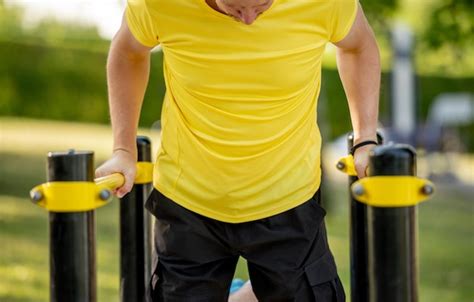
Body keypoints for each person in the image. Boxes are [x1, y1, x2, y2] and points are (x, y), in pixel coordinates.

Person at [95, 0, 380, 300]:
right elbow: (128, 51)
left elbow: (358, 46)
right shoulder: (160, 4)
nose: (247, 20)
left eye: (262, 5)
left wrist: (365, 139)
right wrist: (123, 149)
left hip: (287, 195)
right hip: (189, 200)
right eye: (233, 7)